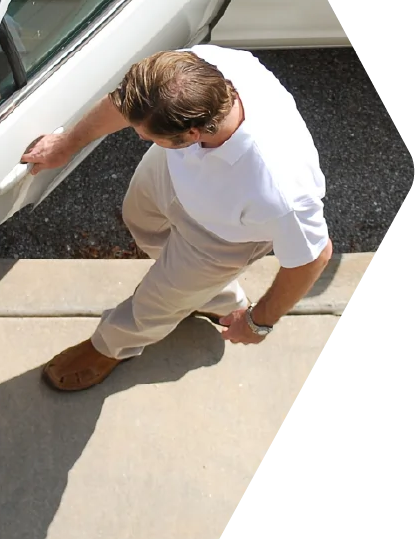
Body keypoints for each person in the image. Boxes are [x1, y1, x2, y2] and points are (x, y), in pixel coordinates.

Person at [20, 45, 333, 392]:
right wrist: (68, 142)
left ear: (193, 135)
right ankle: (214, 297)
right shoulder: (196, 70)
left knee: (160, 299)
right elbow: (126, 104)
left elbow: (314, 257)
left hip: (222, 238)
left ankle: (110, 347)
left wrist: (260, 322)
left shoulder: (278, 188)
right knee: (139, 219)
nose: (138, 136)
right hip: (175, 174)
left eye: (147, 135)